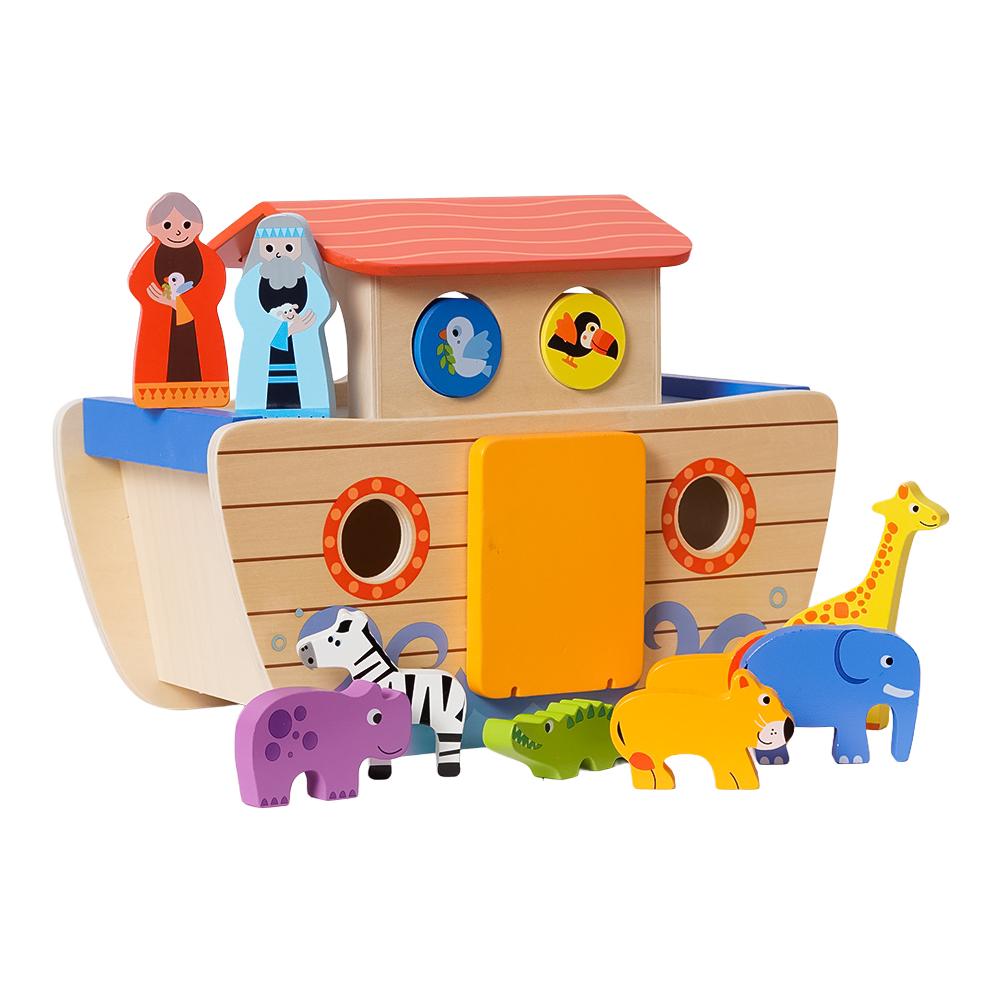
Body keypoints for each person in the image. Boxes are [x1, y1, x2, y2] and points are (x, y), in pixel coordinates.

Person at [129, 192, 229, 407]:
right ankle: (162, 393)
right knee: (162, 358)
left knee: (196, 357)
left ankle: (202, 392)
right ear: (153, 228)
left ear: (197, 226)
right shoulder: (151, 256)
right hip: (160, 323)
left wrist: (177, 304)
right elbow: (138, 283)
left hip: (198, 326)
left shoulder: (208, 258)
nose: (178, 231)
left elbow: (214, 287)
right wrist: (163, 302)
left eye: (186, 225)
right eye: (167, 226)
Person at [234, 213, 336, 417]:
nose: (279, 255)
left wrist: (300, 327)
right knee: (262, 387)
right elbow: (247, 312)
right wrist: (286, 330)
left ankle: (309, 411)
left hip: (304, 346)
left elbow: (321, 304)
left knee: (305, 385)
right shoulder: (252, 280)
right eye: (270, 249)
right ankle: (258, 412)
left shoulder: (310, 277)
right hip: (262, 352)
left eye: (288, 248)